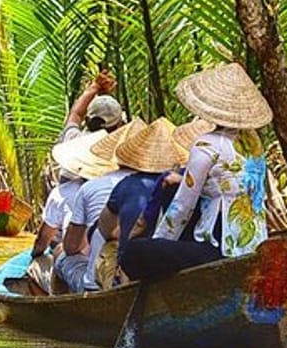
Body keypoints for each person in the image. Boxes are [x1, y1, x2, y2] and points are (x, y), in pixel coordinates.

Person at [120, 63, 271, 281]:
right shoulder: (255, 146)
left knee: (133, 253)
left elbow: (183, 205)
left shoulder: (207, 144)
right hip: (254, 247)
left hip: (220, 251)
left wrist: (158, 244)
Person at [92, 117, 186, 288]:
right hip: (175, 264)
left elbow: (105, 230)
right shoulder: (187, 183)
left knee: (107, 253)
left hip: (137, 267)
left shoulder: (127, 185)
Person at [53, 118, 144, 293]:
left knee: (61, 254)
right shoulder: (161, 184)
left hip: (96, 284)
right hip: (138, 279)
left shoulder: (91, 187)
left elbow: (71, 247)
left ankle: (53, 305)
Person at [27, 129, 114, 293]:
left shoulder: (67, 191)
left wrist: (34, 255)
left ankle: (54, 303)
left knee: (53, 257)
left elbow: (47, 240)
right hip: (117, 270)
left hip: (91, 275)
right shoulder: (127, 184)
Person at [58, 69, 125, 145]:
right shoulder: (124, 152)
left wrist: (95, 86)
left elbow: (76, 114)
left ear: (87, 120)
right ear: (119, 126)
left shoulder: (72, 140)